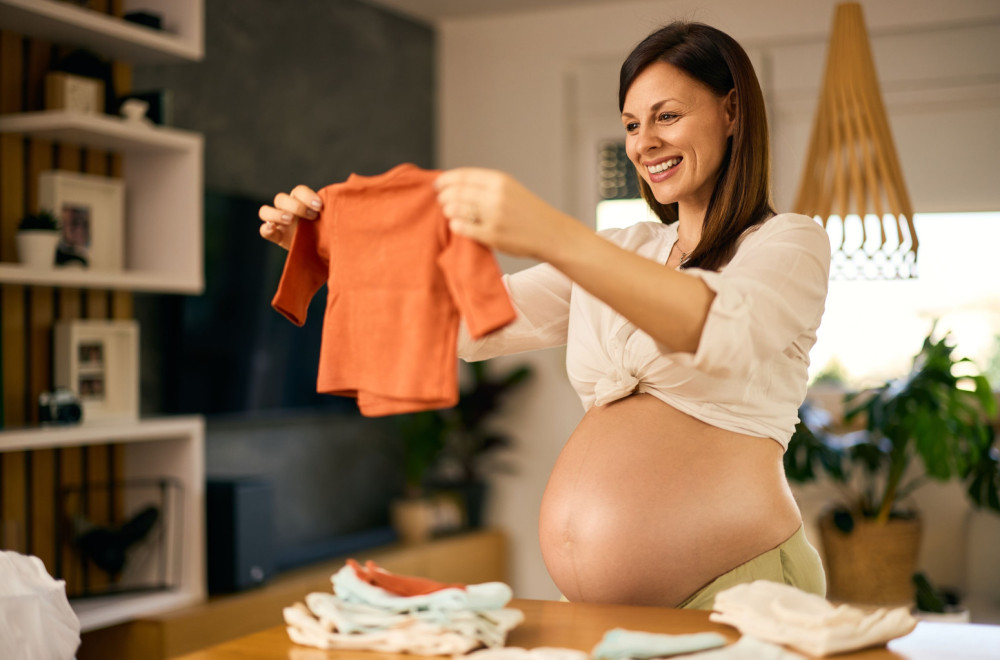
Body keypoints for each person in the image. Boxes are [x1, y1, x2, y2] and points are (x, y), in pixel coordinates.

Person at [258, 21, 831, 610]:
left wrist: (552, 235)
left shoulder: (788, 244)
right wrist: (337, 259)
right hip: (601, 613)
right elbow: (467, 327)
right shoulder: (624, 249)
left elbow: (720, 329)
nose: (643, 143)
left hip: (741, 591)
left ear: (732, 110)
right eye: (632, 125)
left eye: (667, 116)